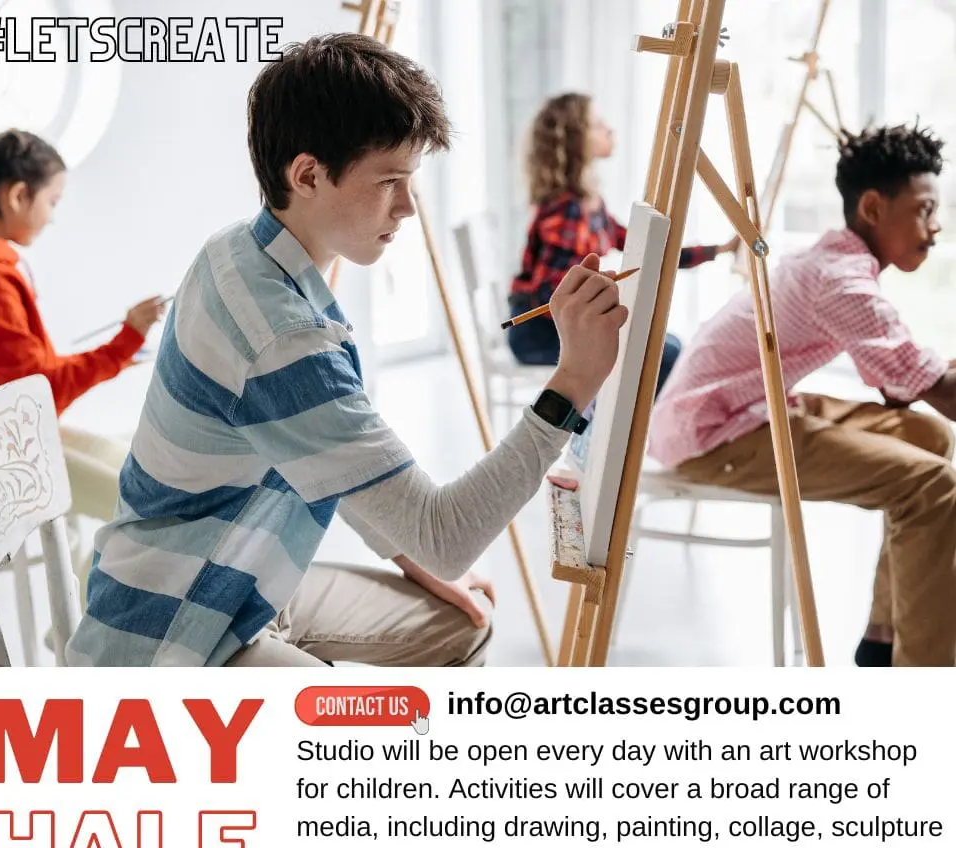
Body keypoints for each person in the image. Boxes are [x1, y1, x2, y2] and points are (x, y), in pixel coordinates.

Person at [65, 34, 629, 668]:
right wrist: (575, 379)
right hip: (175, 632)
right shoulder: (282, 336)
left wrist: (408, 556)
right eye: (390, 181)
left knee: (457, 624)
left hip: (235, 574)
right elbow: (446, 537)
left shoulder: (237, 251)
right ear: (307, 174)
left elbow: (327, 461)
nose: (408, 207)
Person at [648, 122, 956, 668]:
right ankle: (925, 675)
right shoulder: (843, 283)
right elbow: (928, 385)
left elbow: (901, 381)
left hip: (749, 407)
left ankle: (883, 639)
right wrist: (926, 376)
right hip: (717, 434)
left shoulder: (833, 260)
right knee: (934, 486)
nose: (934, 228)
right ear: (873, 208)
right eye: (925, 210)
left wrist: (923, 376)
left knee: (928, 435)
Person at [0, 129, 166, 606]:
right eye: (52, 201)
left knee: (131, 467)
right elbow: (40, 391)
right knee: (151, 507)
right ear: (16, 195)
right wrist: (126, 340)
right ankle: (88, 628)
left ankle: (78, 617)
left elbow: (25, 377)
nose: (52, 218)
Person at [508, 92, 738, 394]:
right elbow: (550, 298)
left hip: (561, 324)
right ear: (576, 140)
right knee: (664, 357)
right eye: (598, 124)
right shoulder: (567, 211)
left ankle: (650, 436)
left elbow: (645, 247)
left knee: (669, 347)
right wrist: (608, 305)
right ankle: (641, 438)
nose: (610, 130)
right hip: (539, 333)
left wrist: (716, 251)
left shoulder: (591, 204)